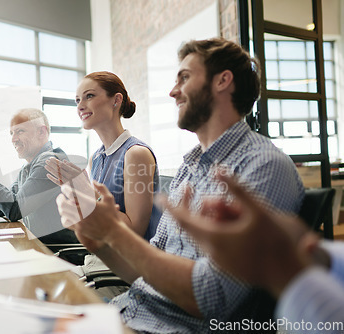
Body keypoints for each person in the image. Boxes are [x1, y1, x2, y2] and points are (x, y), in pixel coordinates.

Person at [56, 38, 305, 333]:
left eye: (184, 78)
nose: (173, 92)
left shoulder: (263, 166)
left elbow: (215, 299)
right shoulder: (191, 167)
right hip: (130, 309)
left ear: (223, 81)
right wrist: (95, 240)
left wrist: (112, 231)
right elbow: (146, 271)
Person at [165, 173, 344, 333]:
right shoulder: (187, 169)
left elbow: (209, 300)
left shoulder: (266, 163)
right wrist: (319, 257)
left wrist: (285, 270)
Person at [45, 71, 160, 282]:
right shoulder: (96, 158)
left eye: (89, 96)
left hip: (128, 270)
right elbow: (96, 213)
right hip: (98, 260)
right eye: (77, 100)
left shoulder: (136, 154)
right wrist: (79, 193)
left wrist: (84, 191)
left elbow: (135, 230)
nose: (80, 106)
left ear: (116, 100)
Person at [0, 108, 77, 244]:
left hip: (57, 252)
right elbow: (1, 210)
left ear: (42, 131)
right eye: (11, 133)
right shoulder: (27, 168)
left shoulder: (50, 162)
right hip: (38, 246)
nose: (13, 139)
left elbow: (14, 210)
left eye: (20, 131)